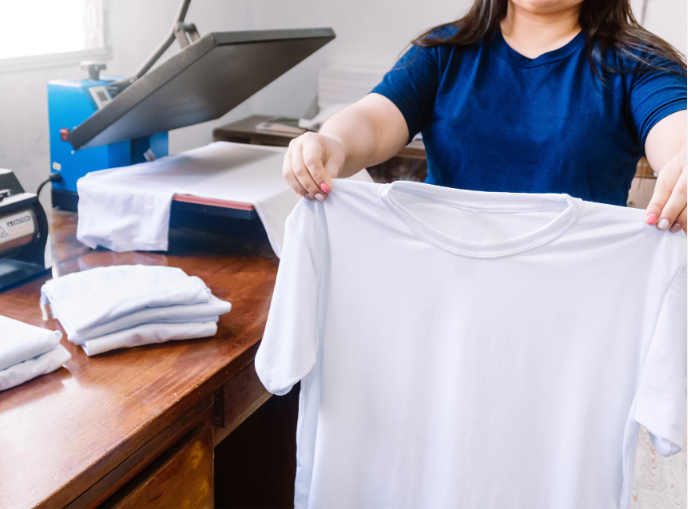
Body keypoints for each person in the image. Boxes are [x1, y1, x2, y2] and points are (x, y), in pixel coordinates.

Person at [282, 0, 687, 233]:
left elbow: (676, 131)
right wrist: (329, 142)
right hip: (443, 288)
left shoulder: (638, 63)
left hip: (573, 300)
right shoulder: (442, 52)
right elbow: (371, 121)